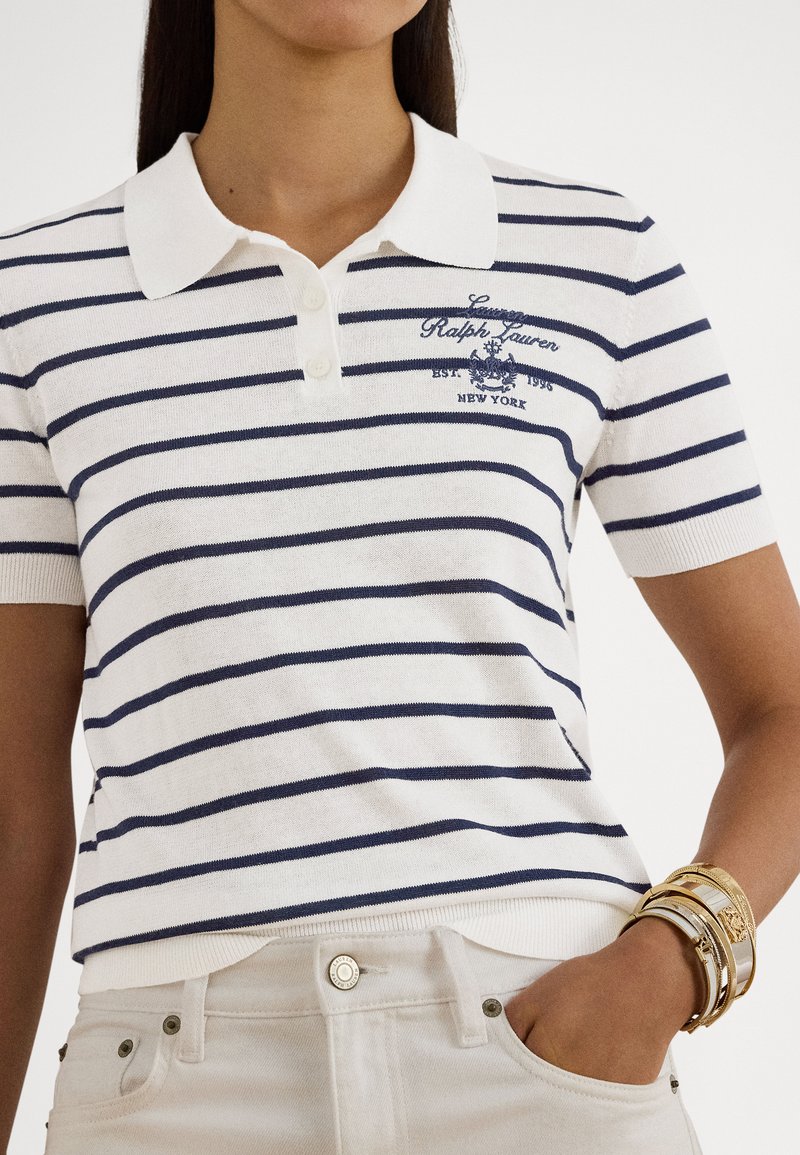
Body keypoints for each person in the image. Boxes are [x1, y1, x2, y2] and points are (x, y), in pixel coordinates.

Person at [1, 2, 798, 1152]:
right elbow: (16, 814)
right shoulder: (34, 302)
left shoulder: (595, 256)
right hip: (174, 1089)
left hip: (543, 1056)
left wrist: (670, 961)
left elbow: (781, 706)